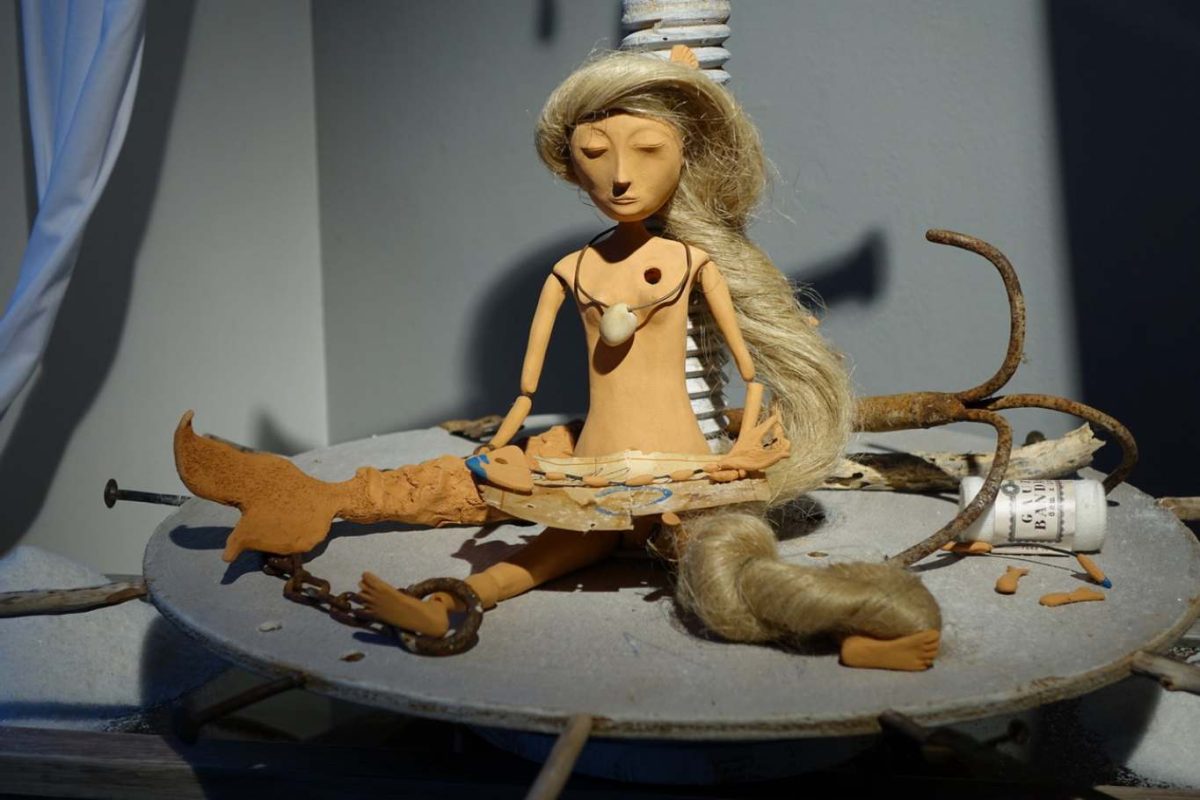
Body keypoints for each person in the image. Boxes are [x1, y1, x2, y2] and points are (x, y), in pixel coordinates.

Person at [175, 49, 941, 670]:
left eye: (648, 150)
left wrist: (743, 449)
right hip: (591, 471)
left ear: (685, 155)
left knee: (726, 568)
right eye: (593, 154)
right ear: (570, 166)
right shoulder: (572, 271)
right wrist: (504, 451)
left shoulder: (694, 263)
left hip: (686, 476)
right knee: (540, 550)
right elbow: (527, 385)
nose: (620, 174)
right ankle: (445, 603)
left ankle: (886, 624)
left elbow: (748, 369)